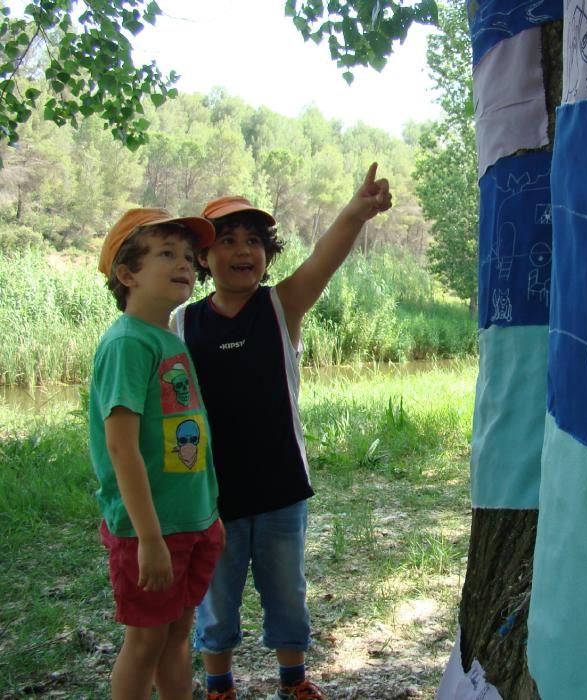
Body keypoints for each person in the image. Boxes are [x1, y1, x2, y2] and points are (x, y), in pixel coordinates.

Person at [174, 163, 392, 700]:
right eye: (227, 240)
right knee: (215, 598)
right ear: (204, 257)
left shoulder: (281, 305)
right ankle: (219, 686)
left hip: (280, 488)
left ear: (268, 253)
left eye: (254, 240)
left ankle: (293, 681)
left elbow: (325, 257)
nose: (242, 250)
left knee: (287, 594)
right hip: (210, 495)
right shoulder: (180, 323)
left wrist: (355, 211)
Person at [89, 208, 224, 700]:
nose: (185, 263)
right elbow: (121, 447)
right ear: (128, 274)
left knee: (177, 635)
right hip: (151, 530)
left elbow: (192, 433)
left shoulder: (169, 339)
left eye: (189, 255)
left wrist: (208, 511)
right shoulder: (126, 342)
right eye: (166, 253)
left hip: (189, 521)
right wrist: (148, 538)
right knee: (145, 640)